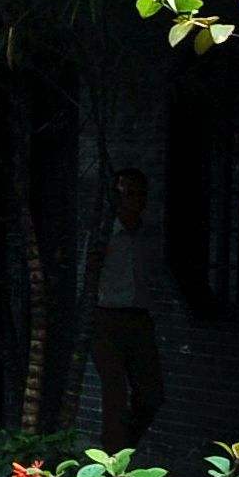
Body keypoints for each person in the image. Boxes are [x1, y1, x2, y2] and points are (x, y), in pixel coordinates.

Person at [91, 166, 167, 453]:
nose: (135, 201)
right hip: (106, 317)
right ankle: (112, 462)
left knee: (152, 394)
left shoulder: (148, 236)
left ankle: (121, 450)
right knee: (115, 394)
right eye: (128, 194)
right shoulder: (104, 235)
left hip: (139, 318)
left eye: (140, 195)